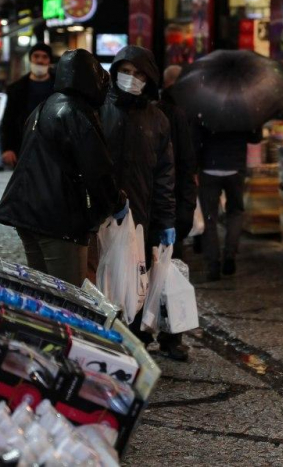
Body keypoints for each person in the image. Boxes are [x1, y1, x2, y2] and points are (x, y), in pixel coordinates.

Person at [0, 50, 127, 286]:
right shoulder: (76, 112)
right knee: (68, 296)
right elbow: (97, 170)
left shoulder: (44, 106)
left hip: (27, 213)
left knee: (43, 292)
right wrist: (115, 203)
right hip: (58, 219)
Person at [100, 46, 181, 360]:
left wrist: (166, 221)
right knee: (101, 278)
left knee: (134, 281)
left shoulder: (157, 120)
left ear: (149, 78)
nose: (131, 79)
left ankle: (131, 343)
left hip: (140, 216)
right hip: (100, 214)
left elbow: (164, 174)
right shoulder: (99, 108)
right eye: (126, 72)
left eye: (138, 74)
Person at [194, 122, 262, 281]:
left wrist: (194, 168)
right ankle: (230, 255)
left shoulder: (204, 109)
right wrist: (255, 123)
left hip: (208, 168)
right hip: (235, 168)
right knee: (235, 212)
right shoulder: (241, 111)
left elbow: (195, 141)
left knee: (209, 218)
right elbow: (255, 138)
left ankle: (213, 264)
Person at [158, 65, 198, 255]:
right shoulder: (188, 107)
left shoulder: (158, 108)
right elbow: (188, 158)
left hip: (162, 189)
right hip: (179, 187)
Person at [1, 43, 56, 168]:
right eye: (36, 56)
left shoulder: (60, 87)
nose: (40, 60)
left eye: (44, 57)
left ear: (49, 60)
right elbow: (8, 119)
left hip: (54, 147)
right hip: (24, 145)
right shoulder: (16, 89)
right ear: (31, 59)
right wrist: (8, 148)